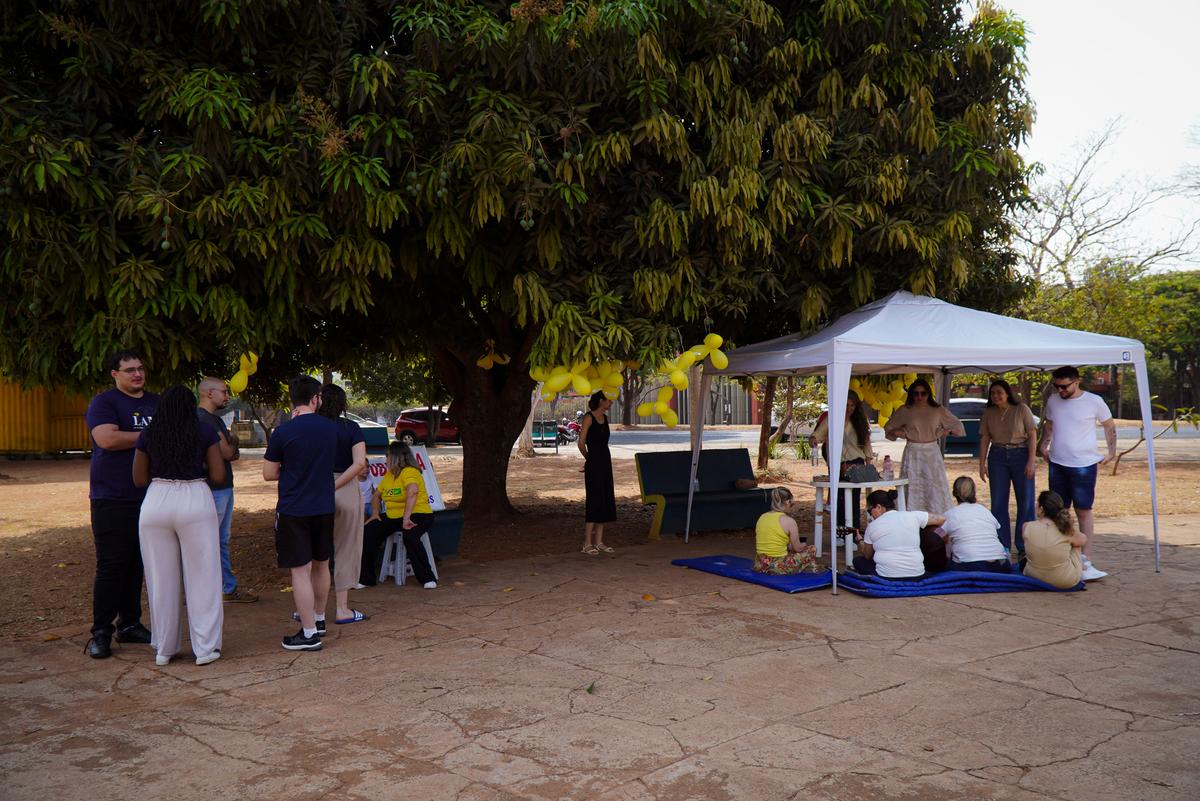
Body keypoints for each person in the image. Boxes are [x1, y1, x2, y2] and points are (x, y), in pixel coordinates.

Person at [132, 385, 225, 666]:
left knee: (160, 579)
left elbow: (138, 478)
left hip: (156, 500)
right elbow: (219, 476)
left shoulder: (149, 433)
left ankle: (164, 648)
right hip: (195, 497)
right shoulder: (204, 431)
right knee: (203, 576)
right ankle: (205, 648)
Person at [83, 349, 160, 659]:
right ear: (115, 374)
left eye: (140, 368)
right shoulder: (104, 403)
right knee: (112, 566)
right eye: (130, 370)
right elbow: (107, 440)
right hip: (111, 497)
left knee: (137, 565)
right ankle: (101, 632)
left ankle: (130, 624)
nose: (137, 374)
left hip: (152, 497)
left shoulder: (157, 402)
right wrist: (151, 434)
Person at [264, 376, 338, 651]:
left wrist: (290, 468)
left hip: (294, 507)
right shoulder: (332, 429)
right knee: (322, 563)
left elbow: (269, 473)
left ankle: (308, 633)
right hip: (324, 505)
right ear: (316, 398)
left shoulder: (283, 432)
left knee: (300, 570)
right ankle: (319, 619)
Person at [1039, 366, 1115, 581]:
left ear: (1077, 382)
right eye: (1057, 386)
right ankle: (1061, 554)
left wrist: (1112, 451)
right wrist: (1044, 445)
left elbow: (1109, 425)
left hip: (1084, 463)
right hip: (1058, 462)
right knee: (1057, 510)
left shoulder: (1094, 401)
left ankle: (1085, 559)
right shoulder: (1053, 400)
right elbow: (1050, 426)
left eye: (1064, 386)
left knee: (1083, 510)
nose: (1060, 390)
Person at [196, 377, 257, 603]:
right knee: (214, 540)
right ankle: (220, 588)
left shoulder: (211, 419)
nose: (227, 396)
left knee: (218, 539)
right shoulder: (206, 420)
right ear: (209, 394)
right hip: (215, 489)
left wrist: (231, 444)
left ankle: (223, 587)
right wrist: (232, 443)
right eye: (223, 392)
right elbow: (228, 453)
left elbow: (230, 449)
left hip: (220, 487)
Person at [317, 384, 369, 623]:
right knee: (347, 548)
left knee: (314, 551)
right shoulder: (351, 428)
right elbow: (360, 464)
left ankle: (313, 609)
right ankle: (342, 609)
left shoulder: (310, 428)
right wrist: (337, 485)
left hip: (313, 489)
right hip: (346, 488)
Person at [884, 378, 964, 516]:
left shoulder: (937, 409)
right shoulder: (905, 410)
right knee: (912, 486)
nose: (920, 397)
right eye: (916, 393)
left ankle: (937, 519)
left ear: (929, 393)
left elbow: (957, 426)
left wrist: (946, 432)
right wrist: (901, 433)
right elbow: (888, 428)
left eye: (923, 393)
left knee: (933, 488)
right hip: (913, 452)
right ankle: (911, 518)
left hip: (931, 452)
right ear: (911, 394)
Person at [366, 441, 438, 588]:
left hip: (418, 513)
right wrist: (374, 513)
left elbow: (412, 492)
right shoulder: (389, 475)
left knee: (410, 535)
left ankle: (427, 578)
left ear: (396, 457)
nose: (386, 459)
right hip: (394, 516)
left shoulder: (410, 471)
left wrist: (406, 518)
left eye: (388, 456)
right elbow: (376, 496)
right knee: (369, 531)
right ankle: (365, 579)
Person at [978, 379, 1038, 557]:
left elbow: (1032, 434)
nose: (996, 396)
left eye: (999, 392)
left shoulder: (1021, 409)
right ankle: (1002, 545)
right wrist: (982, 463)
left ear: (1007, 393)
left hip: (1020, 454)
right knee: (998, 502)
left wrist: (1031, 461)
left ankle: (1024, 546)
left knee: (1026, 502)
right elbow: (985, 438)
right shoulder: (989, 412)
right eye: (993, 393)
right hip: (997, 456)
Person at [809, 390, 875, 529]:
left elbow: (867, 445)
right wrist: (813, 441)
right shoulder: (831, 419)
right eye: (846, 405)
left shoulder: (860, 422)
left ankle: (854, 532)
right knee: (839, 498)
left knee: (854, 499)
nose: (849, 409)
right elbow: (818, 434)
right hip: (837, 464)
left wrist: (868, 466)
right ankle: (840, 531)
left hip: (857, 463)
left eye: (852, 406)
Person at [852, 489, 946, 579]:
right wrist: (942, 536)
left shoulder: (872, 526)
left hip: (886, 577)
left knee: (858, 561)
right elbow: (942, 519)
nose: (870, 515)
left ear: (879, 507)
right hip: (917, 574)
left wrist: (860, 540)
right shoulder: (913, 515)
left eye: (869, 510)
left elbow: (867, 555)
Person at [940, 477, 1011, 573]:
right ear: (974, 492)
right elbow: (997, 528)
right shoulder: (984, 510)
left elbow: (937, 536)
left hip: (970, 564)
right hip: (1000, 564)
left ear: (954, 493)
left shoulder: (949, 515)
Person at [1022, 490, 1086, 588]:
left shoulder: (1026, 526)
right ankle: (1081, 568)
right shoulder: (1066, 529)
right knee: (1076, 543)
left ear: (1041, 509)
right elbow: (1083, 539)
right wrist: (1071, 528)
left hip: (1033, 576)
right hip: (1064, 580)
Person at [579, 390, 616, 555]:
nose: (611, 403)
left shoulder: (606, 419)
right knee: (594, 500)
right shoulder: (588, 417)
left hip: (605, 462)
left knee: (605, 498)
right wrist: (589, 459)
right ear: (601, 401)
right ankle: (587, 543)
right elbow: (581, 442)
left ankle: (599, 541)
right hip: (594, 463)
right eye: (609, 400)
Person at [752, 487, 819, 574]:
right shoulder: (789, 521)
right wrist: (803, 545)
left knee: (790, 552)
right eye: (792, 503)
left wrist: (790, 546)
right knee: (812, 549)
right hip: (778, 567)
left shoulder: (762, 517)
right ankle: (809, 568)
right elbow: (797, 548)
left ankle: (808, 567)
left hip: (760, 564)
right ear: (787, 502)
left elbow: (775, 542)